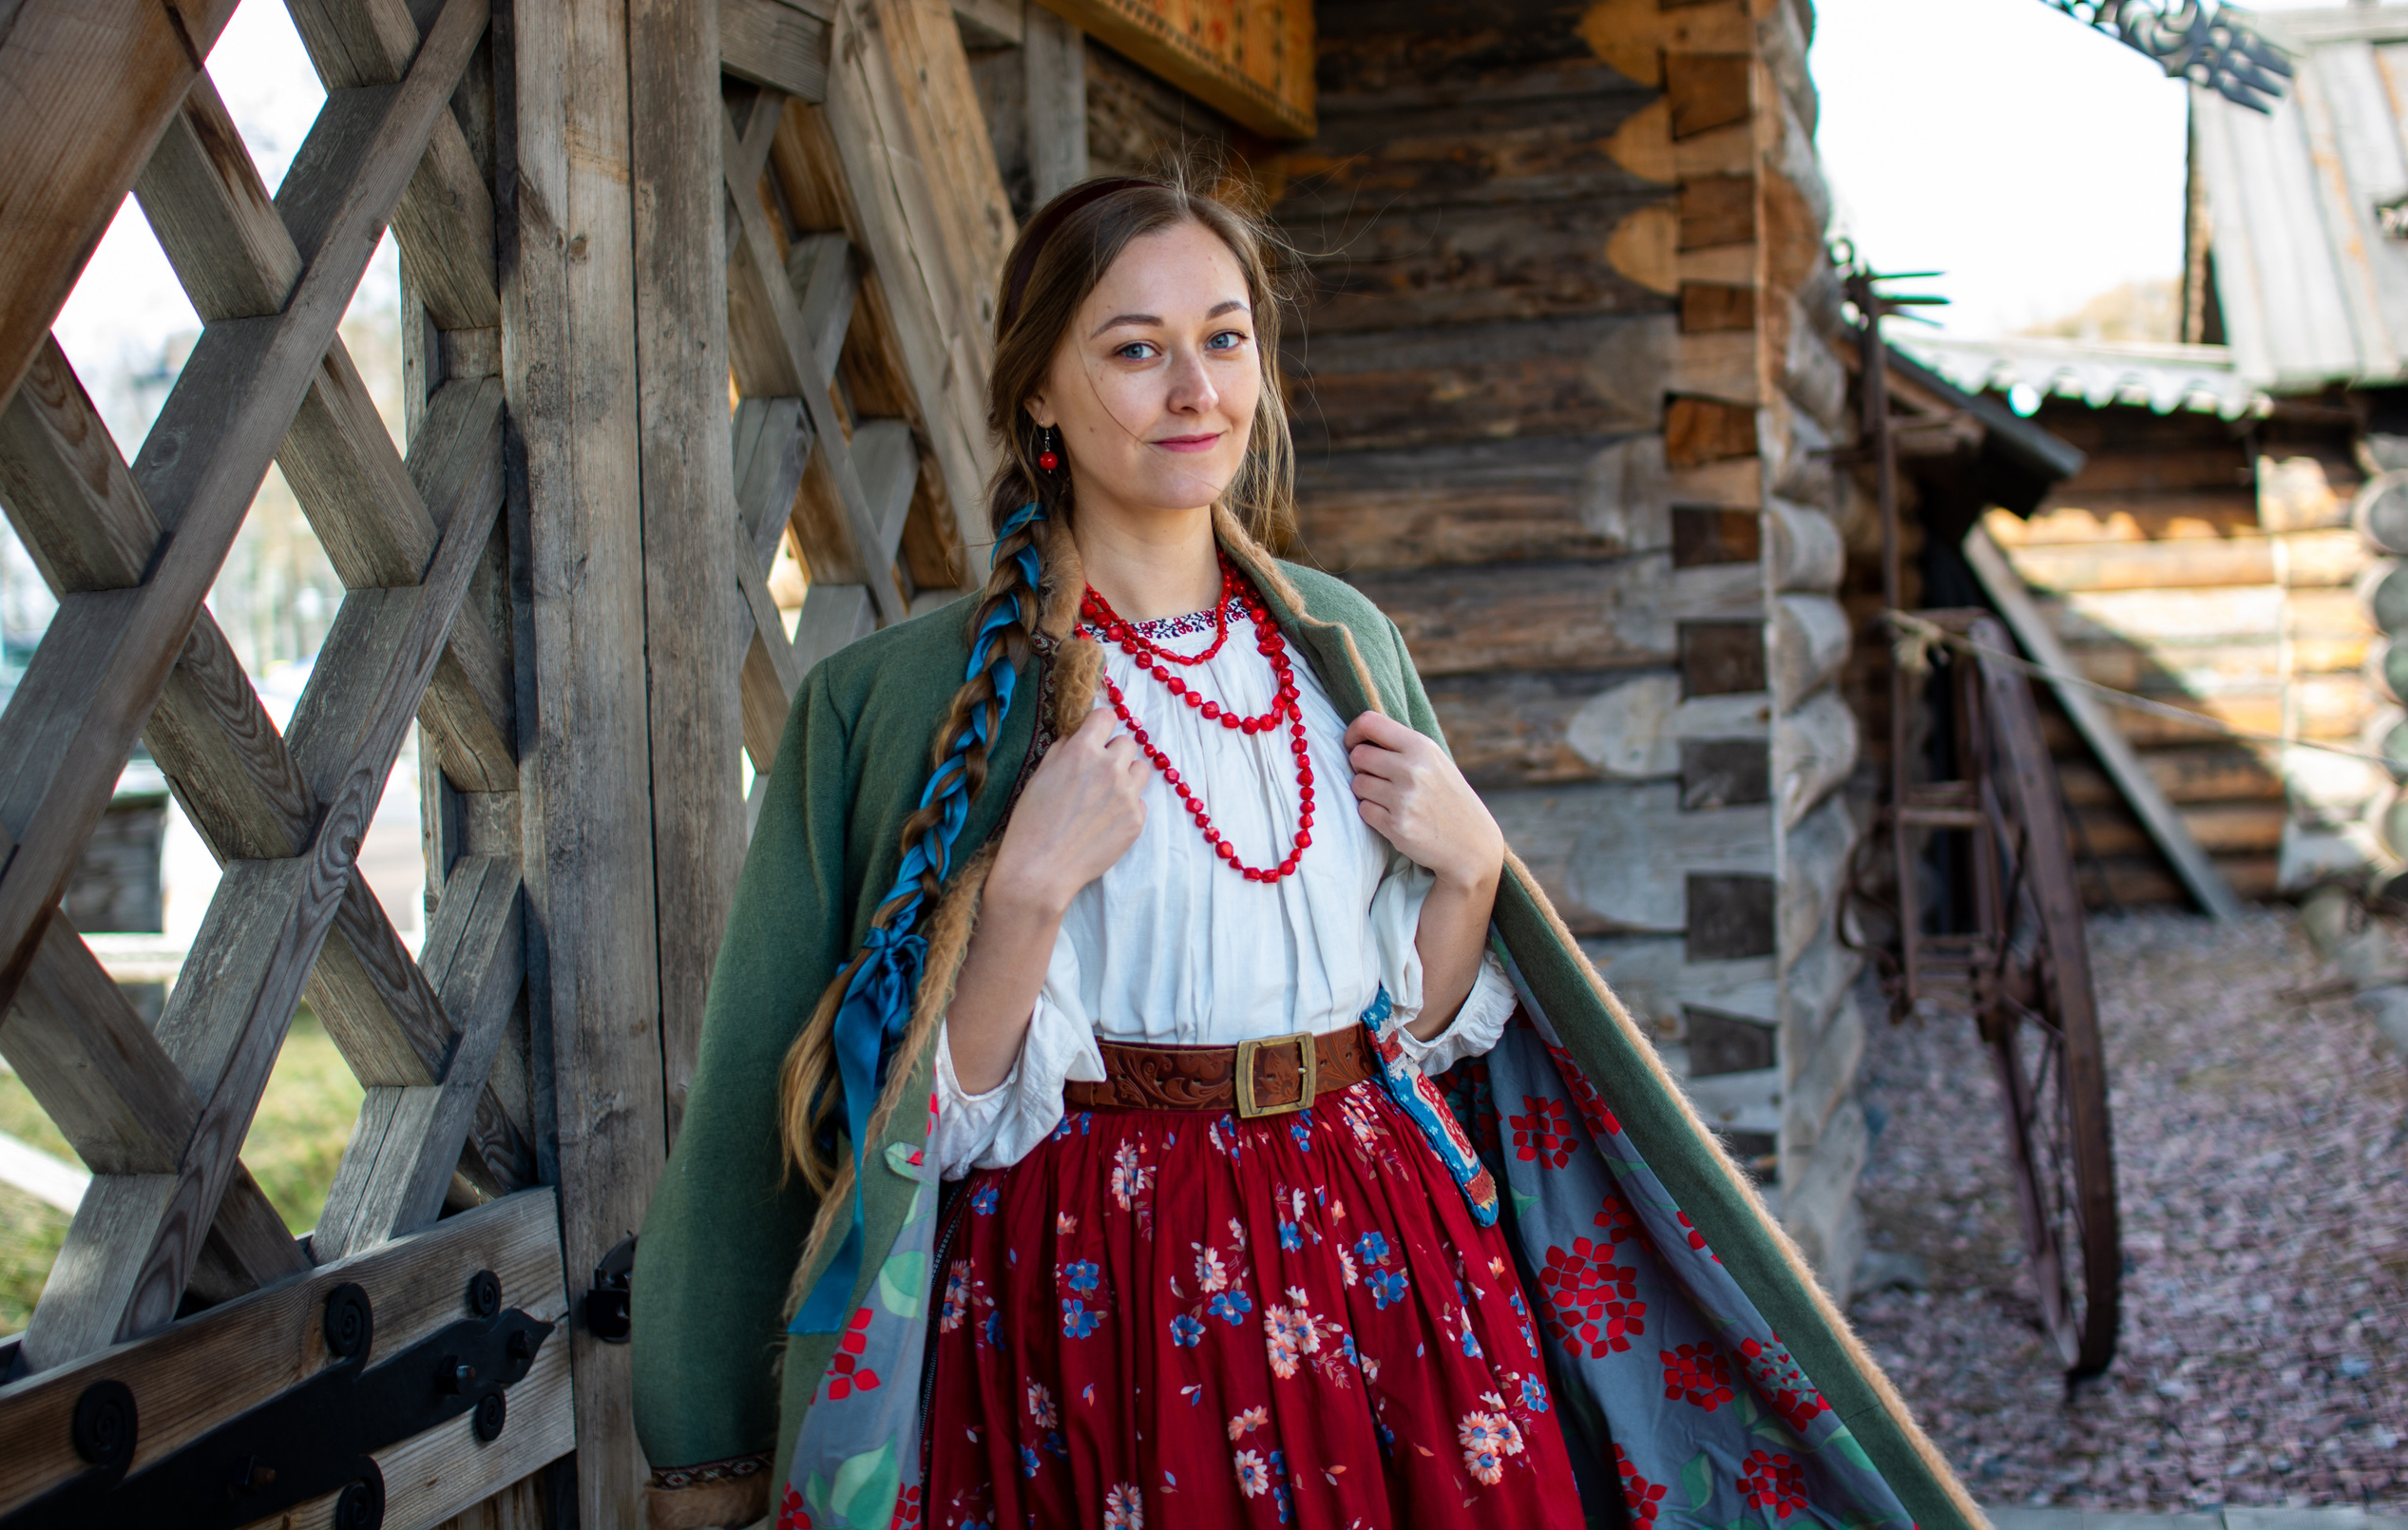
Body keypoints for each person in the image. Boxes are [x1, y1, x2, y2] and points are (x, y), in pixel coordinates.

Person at [631, 171, 1975, 1530]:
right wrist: (1026, 896)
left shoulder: (1343, 647)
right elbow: (907, 1127)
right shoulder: (889, 705)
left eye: (1224, 340)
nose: (1194, 390)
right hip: (1099, 1298)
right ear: (1036, 392)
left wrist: (1472, 873)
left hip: (1386, 1262)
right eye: (1135, 350)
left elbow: (1413, 1033)